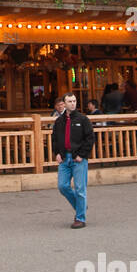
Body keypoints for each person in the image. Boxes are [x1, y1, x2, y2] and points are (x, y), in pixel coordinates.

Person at [52, 93, 95, 229]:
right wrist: (57, 153)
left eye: (74, 101)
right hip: (64, 158)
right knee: (63, 186)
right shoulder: (59, 121)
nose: (72, 103)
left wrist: (82, 154)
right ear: (64, 104)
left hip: (78, 159)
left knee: (80, 188)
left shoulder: (83, 119)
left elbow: (90, 138)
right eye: (69, 101)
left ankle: (80, 218)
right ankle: (80, 205)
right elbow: (55, 139)